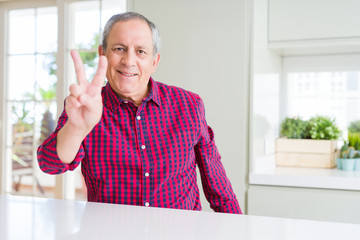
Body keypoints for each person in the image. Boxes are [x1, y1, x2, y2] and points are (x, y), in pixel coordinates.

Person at [37, 12, 241, 214]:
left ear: (154, 61)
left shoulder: (189, 105)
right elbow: (49, 165)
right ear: (103, 54)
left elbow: (219, 189)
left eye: (141, 51)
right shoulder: (86, 106)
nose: (128, 60)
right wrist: (77, 128)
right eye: (119, 48)